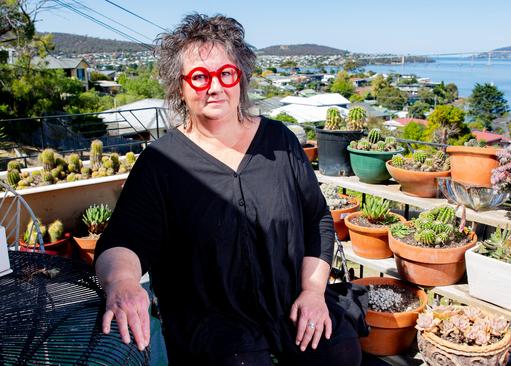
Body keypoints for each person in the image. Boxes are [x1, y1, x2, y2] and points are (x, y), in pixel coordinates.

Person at [94, 13, 363, 366]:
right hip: (212, 324)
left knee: (339, 350)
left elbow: (317, 220)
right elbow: (122, 242)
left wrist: (313, 292)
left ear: (240, 79)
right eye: (200, 77)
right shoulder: (161, 163)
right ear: (181, 87)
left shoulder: (280, 141)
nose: (214, 86)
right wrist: (124, 285)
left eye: (225, 73)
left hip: (290, 303)